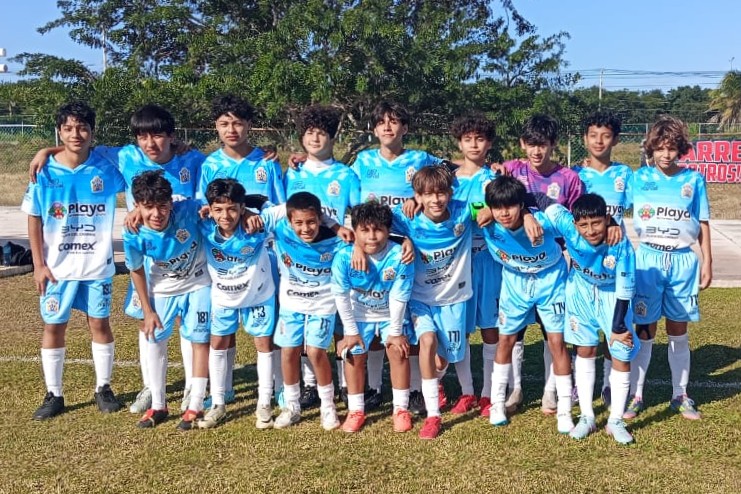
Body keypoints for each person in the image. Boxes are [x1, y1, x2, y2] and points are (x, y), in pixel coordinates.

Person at [28, 104, 206, 415]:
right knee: (148, 320)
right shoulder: (125, 157)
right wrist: (47, 150)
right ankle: (151, 388)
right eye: (143, 136)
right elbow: (80, 147)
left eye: (158, 136)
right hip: (145, 260)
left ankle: (194, 386)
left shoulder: (193, 160)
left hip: (187, 260)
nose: (150, 143)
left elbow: (214, 181)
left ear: (171, 136)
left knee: (186, 323)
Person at [23, 101, 126, 420]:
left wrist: (178, 145)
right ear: (59, 131)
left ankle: (103, 388)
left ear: (93, 132)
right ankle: (54, 393)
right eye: (68, 129)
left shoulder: (107, 167)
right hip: (57, 269)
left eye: (82, 128)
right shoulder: (43, 170)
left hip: (96, 267)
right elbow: (34, 218)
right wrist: (39, 265)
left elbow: (145, 154)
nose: (75, 134)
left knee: (99, 323)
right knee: (54, 325)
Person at [197, 94, 285, 410]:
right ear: (216, 127)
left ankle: (277, 386)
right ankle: (226, 388)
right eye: (224, 123)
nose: (231, 129)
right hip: (226, 259)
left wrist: (252, 213)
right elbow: (205, 207)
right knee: (225, 321)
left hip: (264, 255)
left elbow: (279, 206)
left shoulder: (267, 161)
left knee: (269, 325)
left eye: (237, 123)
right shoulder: (210, 164)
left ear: (249, 125)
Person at [624, 116, 712, 421]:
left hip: (682, 261)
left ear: (681, 149)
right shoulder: (639, 179)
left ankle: (680, 394)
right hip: (648, 259)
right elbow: (612, 206)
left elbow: (703, 223)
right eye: (660, 148)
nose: (666, 154)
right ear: (651, 149)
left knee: (678, 329)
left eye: (672, 148)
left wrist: (707, 262)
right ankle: (636, 395)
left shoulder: (693, 180)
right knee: (644, 328)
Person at [503, 114, 584, 415]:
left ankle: (551, 391)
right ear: (522, 144)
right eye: (531, 144)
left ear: (553, 144)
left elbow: (577, 223)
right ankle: (515, 389)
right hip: (517, 265)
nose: (537, 151)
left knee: (554, 332)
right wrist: (525, 213)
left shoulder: (569, 179)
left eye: (543, 144)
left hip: (554, 266)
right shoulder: (512, 170)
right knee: (515, 332)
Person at [480, 175, 574, 434]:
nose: (504, 213)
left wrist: (530, 215)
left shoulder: (545, 220)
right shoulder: (485, 221)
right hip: (515, 282)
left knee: (556, 342)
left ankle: (564, 410)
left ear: (522, 205)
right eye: (497, 207)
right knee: (506, 340)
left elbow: (575, 226)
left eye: (510, 206)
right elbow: (455, 204)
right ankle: (497, 404)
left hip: (550, 280)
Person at [248, 191, 350, 430]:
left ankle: (328, 407)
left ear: (320, 218)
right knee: (288, 351)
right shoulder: (279, 227)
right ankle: (292, 406)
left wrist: (337, 229)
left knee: (315, 352)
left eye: (312, 222)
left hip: (323, 304)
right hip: (291, 303)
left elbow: (366, 239)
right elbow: (256, 200)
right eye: (299, 223)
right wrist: (244, 214)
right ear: (289, 220)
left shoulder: (336, 238)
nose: (306, 228)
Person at [283, 105, 362, 410]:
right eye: (309, 133)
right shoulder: (293, 172)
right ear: (301, 137)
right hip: (302, 261)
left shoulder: (345, 174)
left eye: (321, 133)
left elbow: (358, 214)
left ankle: (344, 383)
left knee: (342, 320)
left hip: (336, 258)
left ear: (332, 137)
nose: (315, 138)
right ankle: (309, 384)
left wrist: (356, 243)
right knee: (305, 322)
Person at [388, 165, 474, 439]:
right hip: (419, 298)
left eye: (441, 193)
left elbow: (487, 207)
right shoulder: (407, 216)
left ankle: (438, 381)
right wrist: (402, 238)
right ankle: (433, 415)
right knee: (426, 342)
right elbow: (374, 224)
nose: (435, 199)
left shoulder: (463, 212)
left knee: (442, 361)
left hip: (453, 299)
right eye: (427, 194)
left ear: (450, 193)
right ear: (417, 196)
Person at [123, 170, 212, 430]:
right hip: (162, 289)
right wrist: (147, 310)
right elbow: (136, 270)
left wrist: (247, 212)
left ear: (171, 203)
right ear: (137, 206)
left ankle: (196, 402)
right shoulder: (133, 232)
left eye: (162, 206)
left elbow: (221, 205)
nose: (156, 214)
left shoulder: (189, 210)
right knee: (154, 339)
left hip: (198, 283)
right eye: (148, 207)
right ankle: (159, 404)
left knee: (199, 339)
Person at [553, 193, 639, 444]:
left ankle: (615, 421)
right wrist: (527, 215)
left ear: (607, 218)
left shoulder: (620, 244)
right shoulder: (568, 226)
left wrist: (618, 326)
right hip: (580, 292)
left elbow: (625, 288)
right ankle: (587, 417)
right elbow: (551, 210)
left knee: (621, 352)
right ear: (575, 224)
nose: (590, 231)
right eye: (584, 225)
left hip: (613, 296)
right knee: (585, 350)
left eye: (597, 223)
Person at [197, 179, 278, 429]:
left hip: (259, 295)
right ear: (210, 209)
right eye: (218, 209)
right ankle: (218, 403)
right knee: (218, 343)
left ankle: (264, 402)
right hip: (224, 297)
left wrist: (253, 210)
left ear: (241, 208)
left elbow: (288, 208)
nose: (225, 215)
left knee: (263, 344)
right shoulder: (204, 225)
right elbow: (176, 205)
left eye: (232, 209)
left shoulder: (258, 225)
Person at [332, 202, 415, 433]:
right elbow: (341, 296)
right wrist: (350, 332)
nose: (371, 237)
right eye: (364, 230)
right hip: (359, 314)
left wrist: (395, 333)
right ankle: (356, 410)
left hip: (390, 313)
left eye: (378, 230)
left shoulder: (400, 255)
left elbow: (399, 296)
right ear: (355, 231)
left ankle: (401, 409)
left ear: (388, 231)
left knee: (398, 350)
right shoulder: (343, 257)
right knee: (353, 353)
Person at [573, 110, 634, 406]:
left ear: (615, 140)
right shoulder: (576, 175)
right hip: (584, 263)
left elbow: (642, 207)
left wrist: (615, 225)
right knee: (583, 331)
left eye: (606, 136)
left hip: (615, 261)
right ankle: (579, 386)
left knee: (614, 326)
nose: (599, 141)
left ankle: (610, 384)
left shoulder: (625, 174)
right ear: (585, 138)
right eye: (593, 135)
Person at [445, 114, 500, 417]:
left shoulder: (494, 179)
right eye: (468, 139)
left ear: (489, 143)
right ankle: (466, 391)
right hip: (456, 264)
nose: (474, 144)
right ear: (460, 143)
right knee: (460, 328)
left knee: (490, 327)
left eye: (480, 139)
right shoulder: (448, 181)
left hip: (488, 260)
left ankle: (489, 393)